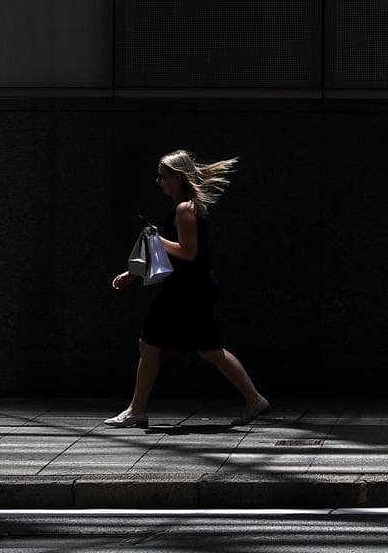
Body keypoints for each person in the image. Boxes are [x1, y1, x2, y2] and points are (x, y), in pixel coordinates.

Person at [106, 150, 269, 428]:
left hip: (187, 291)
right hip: (191, 289)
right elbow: (173, 253)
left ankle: (137, 410)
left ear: (178, 178)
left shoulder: (184, 209)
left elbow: (188, 252)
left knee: (156, 345)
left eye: (163, 177)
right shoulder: (186, 207)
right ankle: (253, 399)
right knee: (201, 349)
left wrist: (156, 237)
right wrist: (133, 272)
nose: (159, 182)